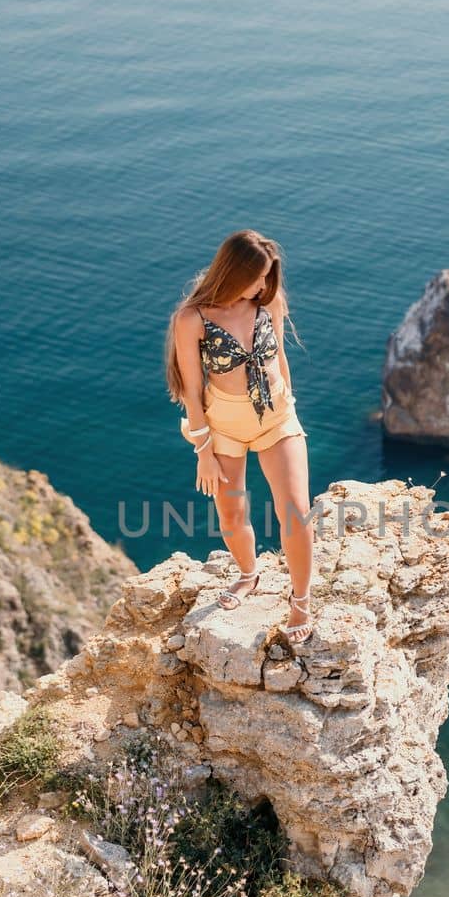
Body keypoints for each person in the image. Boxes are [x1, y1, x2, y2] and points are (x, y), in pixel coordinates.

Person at [163, 229, 315, 643]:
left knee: (297, 512)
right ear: (234, 272)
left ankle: (300, 600)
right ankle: (249, 574)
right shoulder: (192, 319)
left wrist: (290, 404)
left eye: (268, 277)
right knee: (231, 514)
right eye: (257, 276)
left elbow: (280, 357)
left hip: (277, 419)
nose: (263, 286)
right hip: (224, 427)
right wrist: (203, 451)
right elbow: (192, 391)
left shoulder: (268, 303)